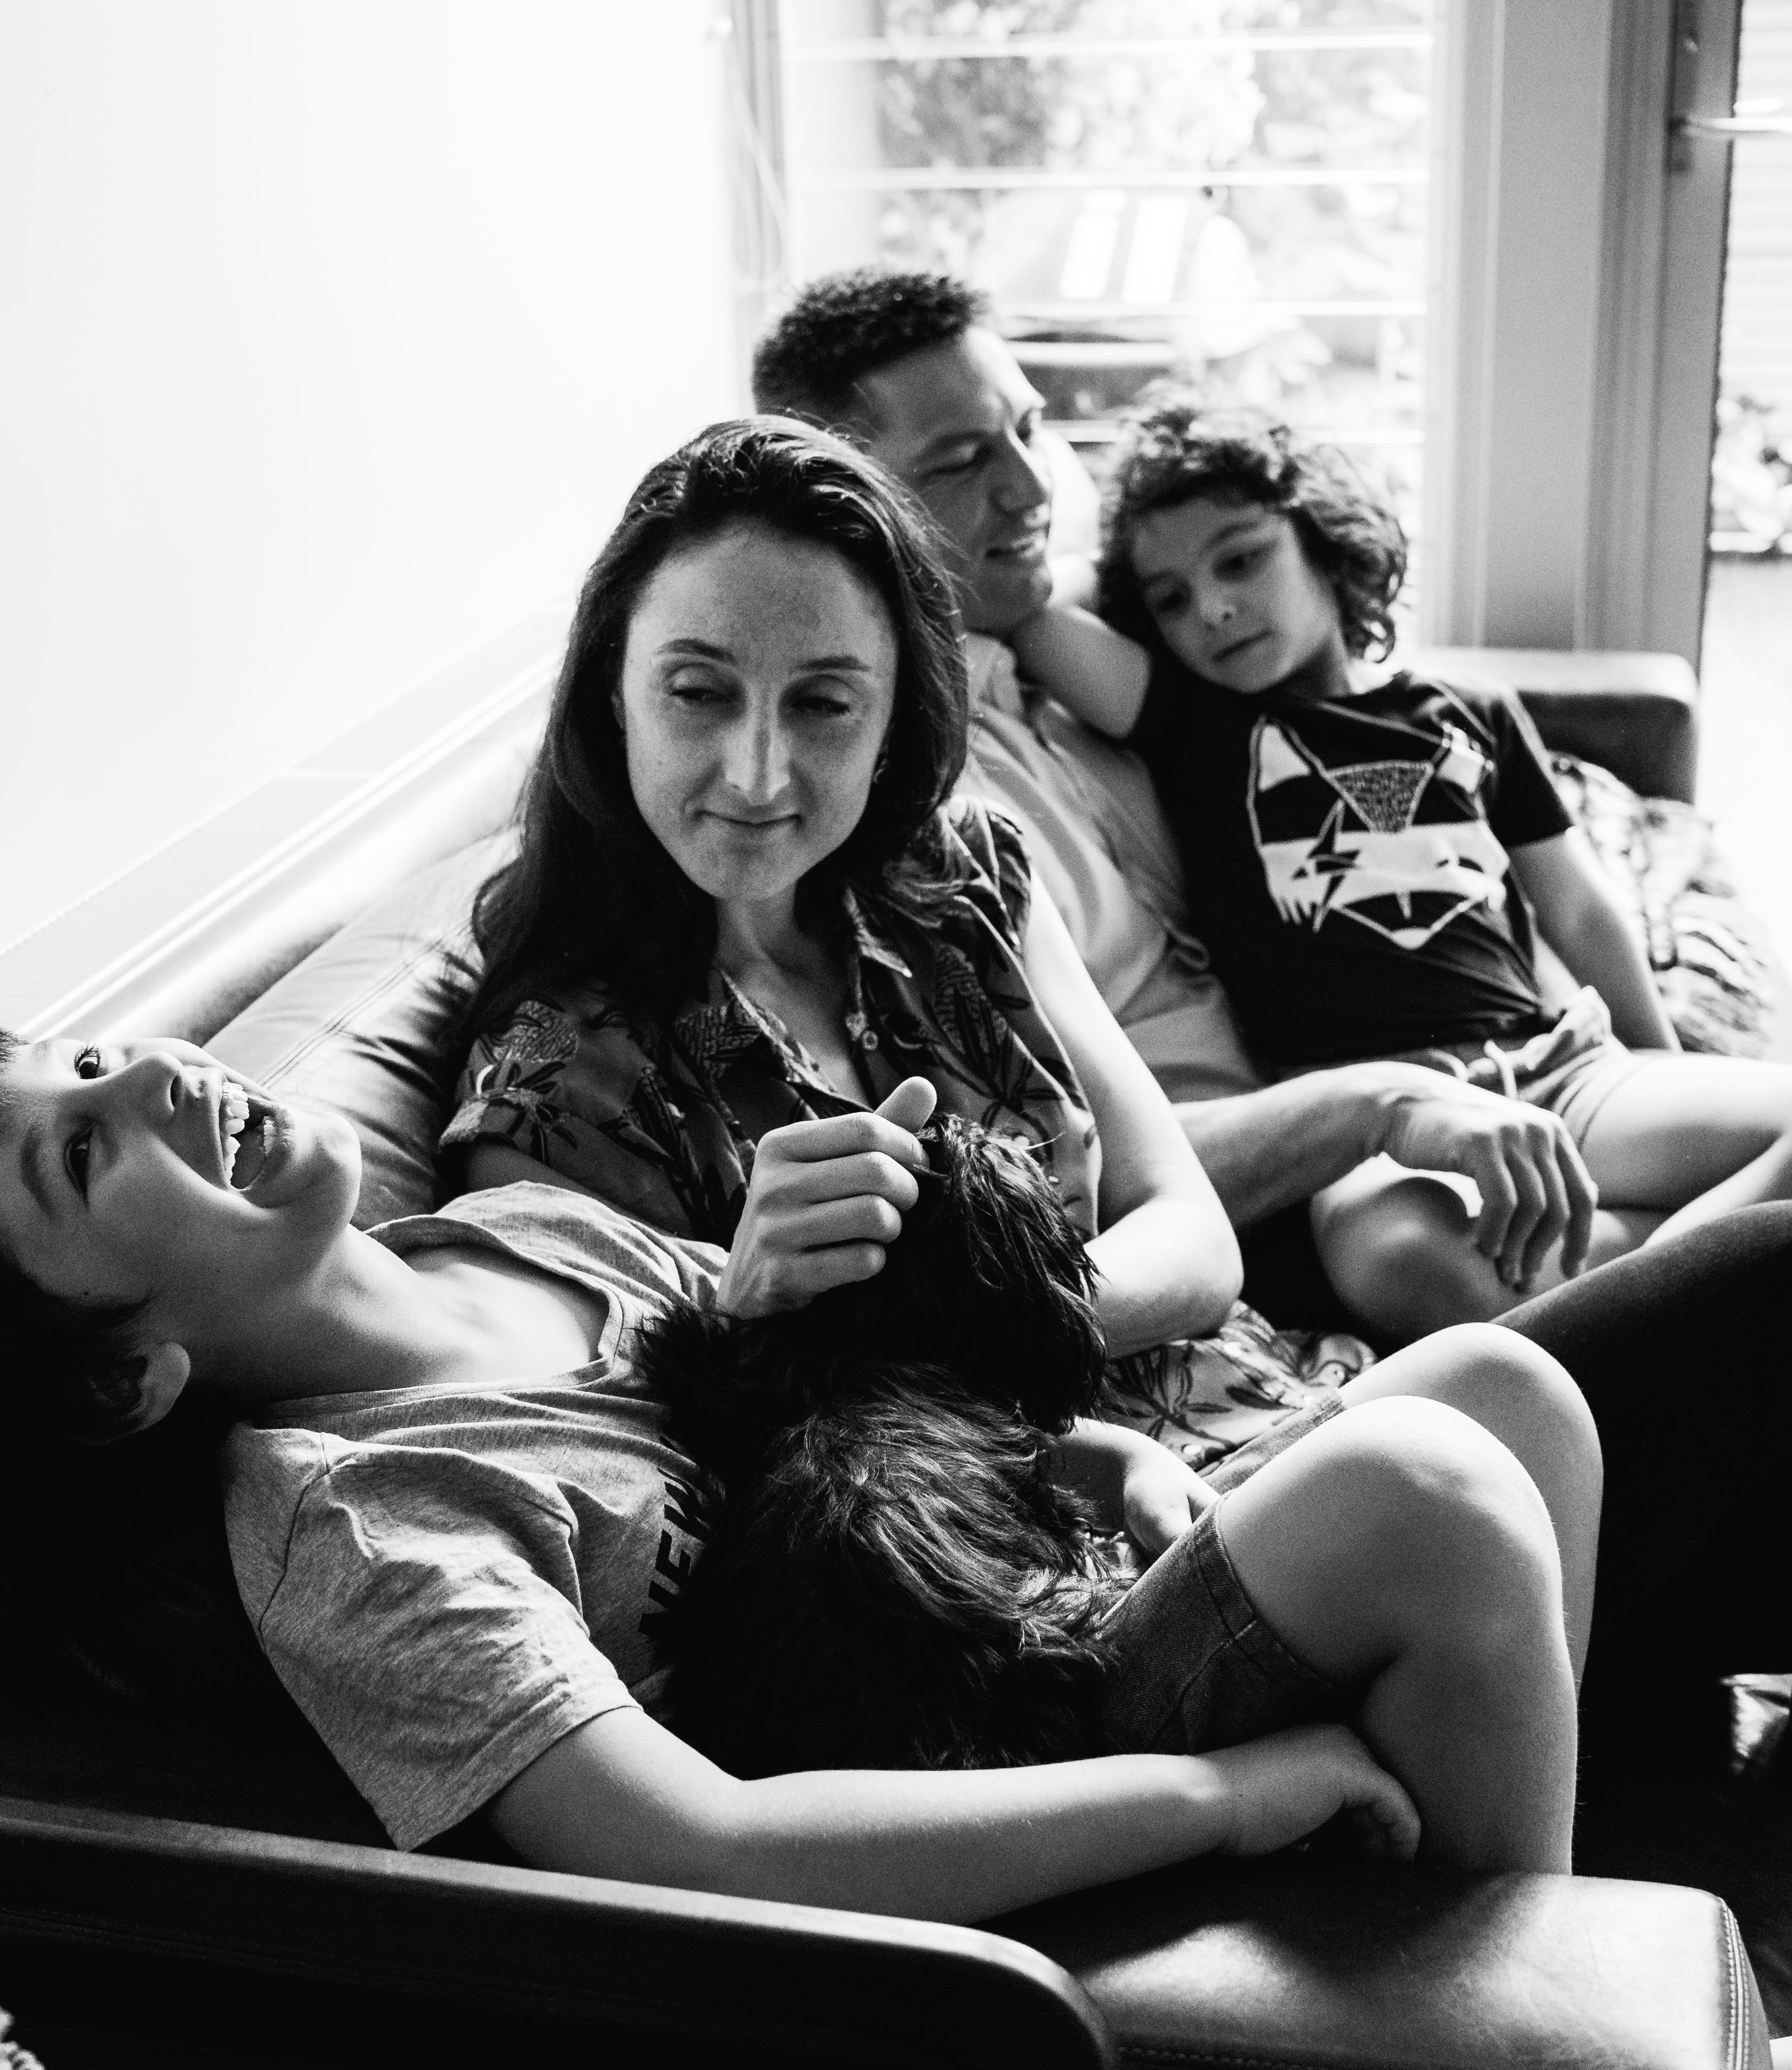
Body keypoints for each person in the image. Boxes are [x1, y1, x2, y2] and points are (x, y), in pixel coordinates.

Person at [0, 1021, 1597, 1902]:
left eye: (83, 1056)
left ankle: (1498, 1948)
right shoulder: (357, 1529)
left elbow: (834, 1416)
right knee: (1426, 1494)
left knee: (1502, 1388)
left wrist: (1093, 1460)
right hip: (957, 1752)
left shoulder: (515, 1230)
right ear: (125, 1379)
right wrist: (1222, 1796)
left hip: (1028, 1585)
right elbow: (698, 1843)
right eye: (80, 1145)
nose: (142, 1070)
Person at [444, 415, 1364, 1470]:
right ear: (615, 692)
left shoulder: (969, 878)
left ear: (892, 724)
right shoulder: (552, 1086)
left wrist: (964, 1328)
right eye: (698, 691)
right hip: (1053, 1545)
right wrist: (755, 1314)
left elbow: (1193, 1235)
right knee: (1475, 1428)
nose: (756, 773)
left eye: (825, 703)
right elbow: (602, 1457)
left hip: (1269, 1402)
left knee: (1508, 1392)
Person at [747, 270, 1640, 1341]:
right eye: (962, 461)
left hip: (1469, 1076)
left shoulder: (1053, 649)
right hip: (1278, 1183)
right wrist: (1378, 1102)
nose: (1033, 489)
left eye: (1030, 428)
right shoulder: (895, 801)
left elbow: (1197, 562)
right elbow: (1070, 1167)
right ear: (850, 508)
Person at [1012, 394, 1792, 1344]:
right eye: (1168, 598)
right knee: (1401, 1266)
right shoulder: (1185, 720)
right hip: (1377, 1129)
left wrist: (1654, 1062)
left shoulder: (1472, 712)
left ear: (1327, 539)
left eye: (1241, 558)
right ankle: (1708, 1275)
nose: (1211, 606)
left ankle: (1635, 1298)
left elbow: (1580, 914)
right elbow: (1025, 604)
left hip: (1559, 1069)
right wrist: (1124, 575)